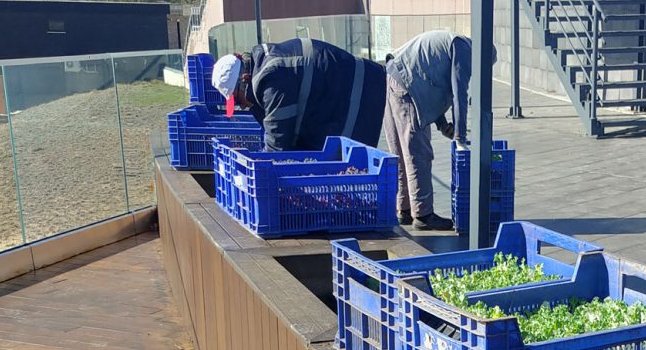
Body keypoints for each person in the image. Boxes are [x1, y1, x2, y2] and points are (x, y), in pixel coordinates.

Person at [384, 30, 494, 231]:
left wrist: (442, 125)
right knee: (418, 152)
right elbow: (459, 93)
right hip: (407, 85)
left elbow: (431, 85)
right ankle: (423, 215)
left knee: (400, 151)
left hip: (393, 77)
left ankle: (404, 209)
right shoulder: (464, 50)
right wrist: (460, 137)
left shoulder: (454, 43)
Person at [212, 38, 386, 152]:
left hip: (366, 93)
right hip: (344, 96)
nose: (241, 106)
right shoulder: (264, 66)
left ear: (244, 79)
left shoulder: (272, 79)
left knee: (353, 164)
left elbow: (277, 144)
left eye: (237, 100)